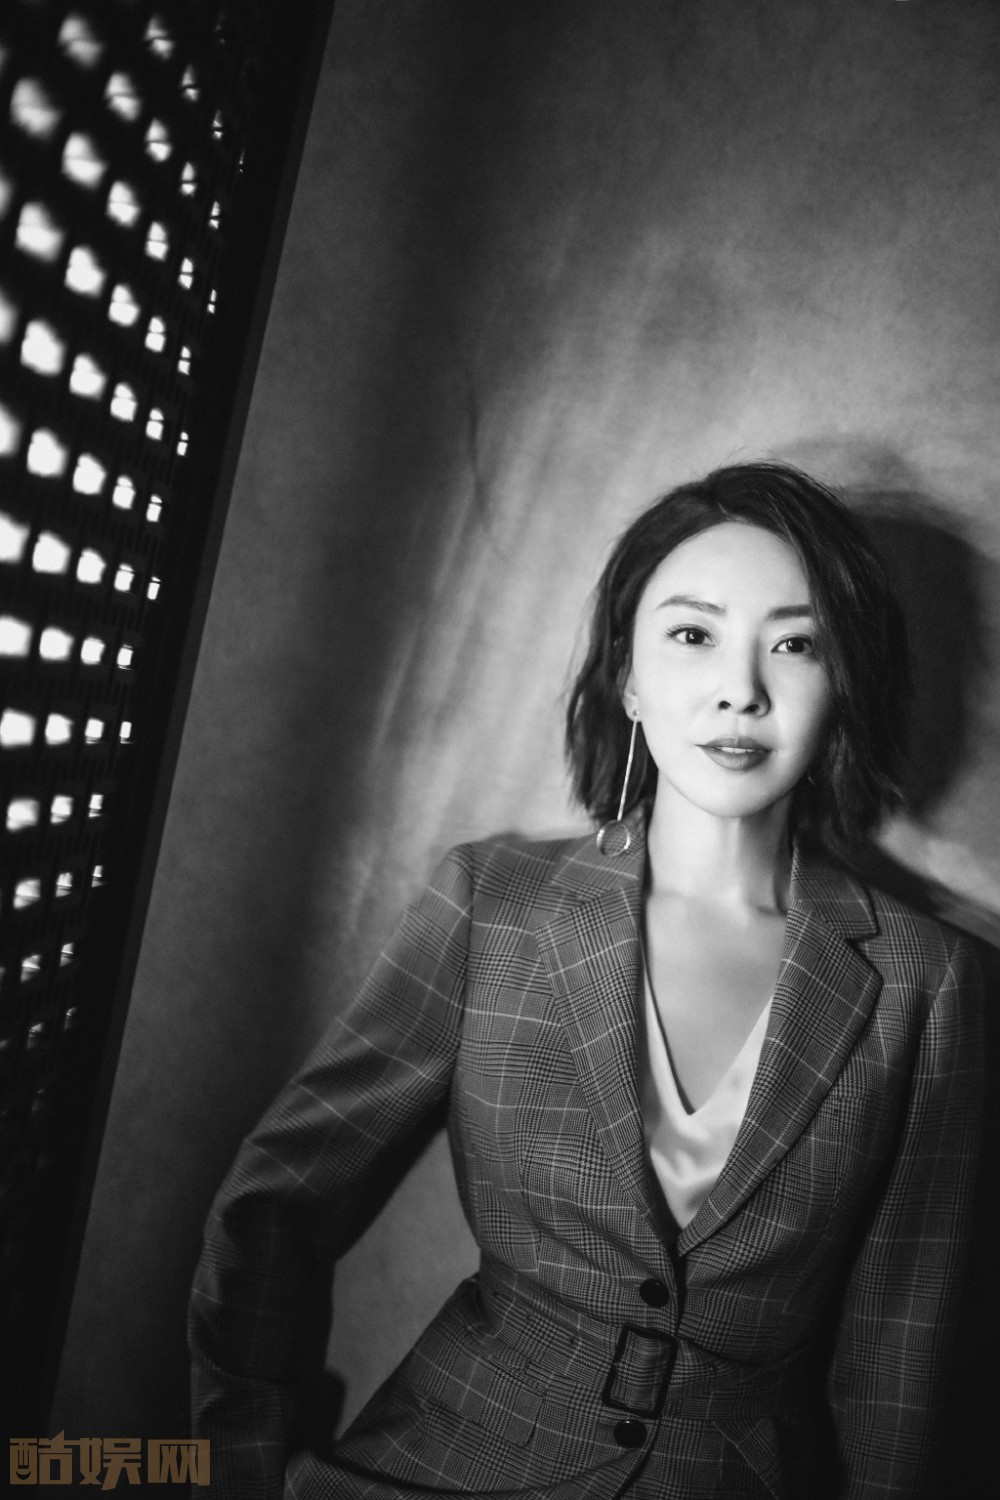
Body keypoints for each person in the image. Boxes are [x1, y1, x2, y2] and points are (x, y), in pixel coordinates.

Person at [190, 462, 983, 1499]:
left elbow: (899, 1360)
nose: (741, 689)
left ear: (843, 685)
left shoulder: (930, 985)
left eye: (796, 644)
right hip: (443, 1464)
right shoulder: (493, 904)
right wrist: (241, 1466)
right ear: (628, 678)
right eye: (692, 634)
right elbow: (278, 1203)